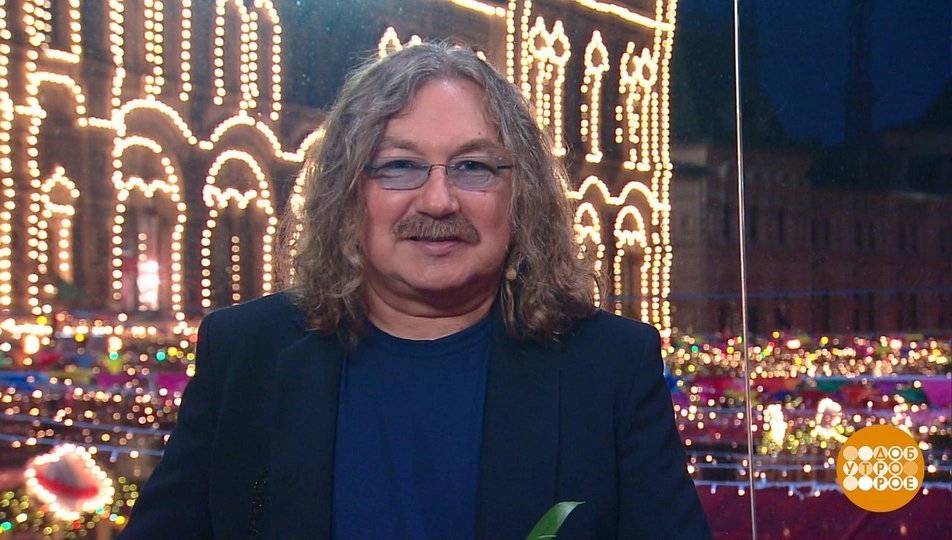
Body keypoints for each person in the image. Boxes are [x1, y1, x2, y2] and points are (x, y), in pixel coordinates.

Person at [121, 42, 711, 539]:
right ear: (348, 192)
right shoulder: (246, 353)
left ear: (521, 196)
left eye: (474, 167)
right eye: (399, 166)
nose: (438, 201)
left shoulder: (609, 367)